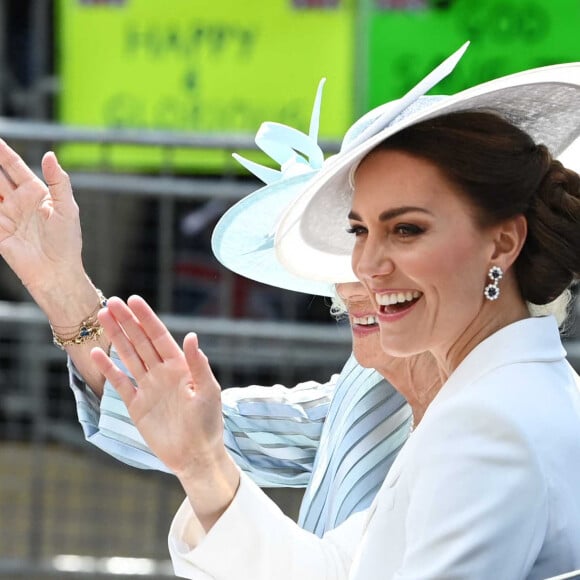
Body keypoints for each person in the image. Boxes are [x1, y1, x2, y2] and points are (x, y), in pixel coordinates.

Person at [84, 45, 580, 578]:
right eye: (359, 231)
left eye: (406, 229)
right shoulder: (502, 396)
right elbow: (341, 567)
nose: (366, 265)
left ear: (503, 243)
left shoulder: (486, 423)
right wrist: (201, 464)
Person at [0, 79, 439, 536]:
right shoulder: (366, 392)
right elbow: (194, 427)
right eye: (350, 238)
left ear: (498, 246)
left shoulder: (506, 404)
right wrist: (60, 282)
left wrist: (204, 470)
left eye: (407, 232)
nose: (356, 277)